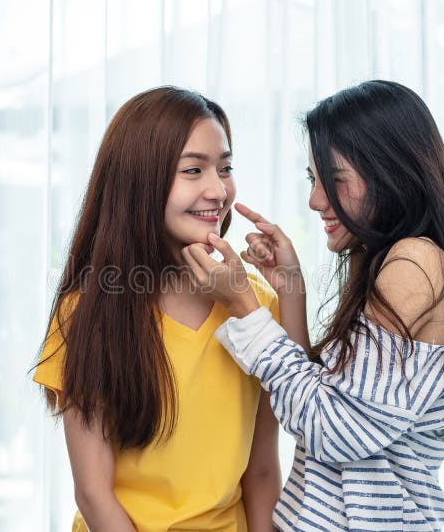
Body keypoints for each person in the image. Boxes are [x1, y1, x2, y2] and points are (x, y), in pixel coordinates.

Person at [182, 80, 444, 531]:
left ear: (389, 171)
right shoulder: (397, 261)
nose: (316, 201)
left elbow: (331, 432)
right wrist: (290, 288)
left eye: (334, 181)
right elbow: (317, 403)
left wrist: (245, 307)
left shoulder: (415, 263)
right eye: (313, 180)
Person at [32, 86, 282, 532]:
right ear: (139, 181)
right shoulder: (85, 311)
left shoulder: (256, 303)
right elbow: (93, 492)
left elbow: (261, 471)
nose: (218, 189)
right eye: (193, 170)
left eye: (225, 168)